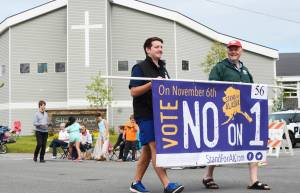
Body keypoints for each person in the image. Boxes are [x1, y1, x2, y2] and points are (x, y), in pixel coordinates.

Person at [204, 40, 270, 190]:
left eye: (236, 49)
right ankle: (208, 176)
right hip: (225, 114)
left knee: (251, 142)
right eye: (231, 49)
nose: (233, 52)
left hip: (244, 115)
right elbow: (212, 88)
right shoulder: (220, 67)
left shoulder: (245, 70)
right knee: (219, 144)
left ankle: (253, 180)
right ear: (228, 51)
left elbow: (252, 91)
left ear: (241, 51)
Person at [128, 37, 184, 193]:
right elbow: (133, 91)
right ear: (148, 49)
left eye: (161, 47)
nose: (160, 49)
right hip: (145, 114)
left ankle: (136, 183)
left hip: (161, 113)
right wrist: (151, 83)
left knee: (146, 150)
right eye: (157, 47)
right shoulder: (139, 68)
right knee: (156, 147)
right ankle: (167, 185)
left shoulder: (162, 68)